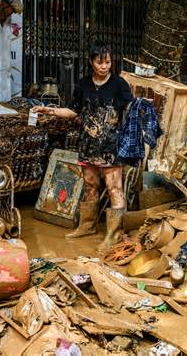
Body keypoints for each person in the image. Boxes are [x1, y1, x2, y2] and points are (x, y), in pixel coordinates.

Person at [33, 44, 133, 253]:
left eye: (108, 62)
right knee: (90, 185)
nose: (104, 66)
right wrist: (48, 110)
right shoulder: (83, 85)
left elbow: (131, 111)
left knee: (115, 188)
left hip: (111, 147)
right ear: (91, 62)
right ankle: (87, 226)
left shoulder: (119, 84)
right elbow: (72, 110)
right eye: (99, 62)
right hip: (88, 145)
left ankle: (114, 235)